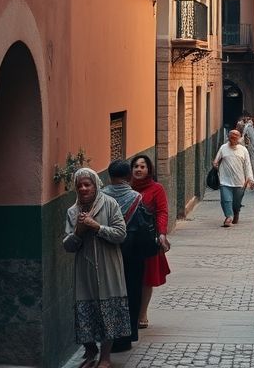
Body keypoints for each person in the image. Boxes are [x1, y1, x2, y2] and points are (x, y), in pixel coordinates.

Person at [63, 167, 129, 368]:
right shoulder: (72, 212)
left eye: (87, 184)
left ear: (95, 186)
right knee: (85, 309)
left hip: (109, 266)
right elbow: (67, 245)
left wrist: (96, 226)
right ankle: (90, 351)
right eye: (79, 185)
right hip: (85, 269)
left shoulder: (110, 205)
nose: (83, 188)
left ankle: (106, 357)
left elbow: (120, 234)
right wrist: (78, 232)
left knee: (108, 309)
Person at [102, 159, 148, 352]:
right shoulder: (136, 198)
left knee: (109, 295)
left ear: (110, 176)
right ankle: (126, 337)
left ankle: (108, 337)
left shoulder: (101, 197)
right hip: (133, 255)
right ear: (128, 176)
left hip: (107, 252)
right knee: (131, 292)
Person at [130, 154, 171, 330]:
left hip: (147, 239)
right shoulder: (126, 188)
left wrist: (162, 233)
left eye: (142, 167)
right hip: (128, 240)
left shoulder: (156, 188)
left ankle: (142, 313)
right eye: (136, 166)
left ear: (149, 170)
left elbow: (162, 211)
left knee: (146, 278)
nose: (139, 169)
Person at [214, 129, 254, 226]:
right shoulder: (223, 148)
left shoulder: (243, 150)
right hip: (225, 180)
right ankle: (229, 217)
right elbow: (216, 160)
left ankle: (236, 212)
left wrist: (250, 179)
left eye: (235, 137)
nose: (233, 139)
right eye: (231, 137)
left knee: (236, 203)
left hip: (240, 182)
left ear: (239, 139)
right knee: (226, 200)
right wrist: (215, 165)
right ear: (228, 137)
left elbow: (247, 165)